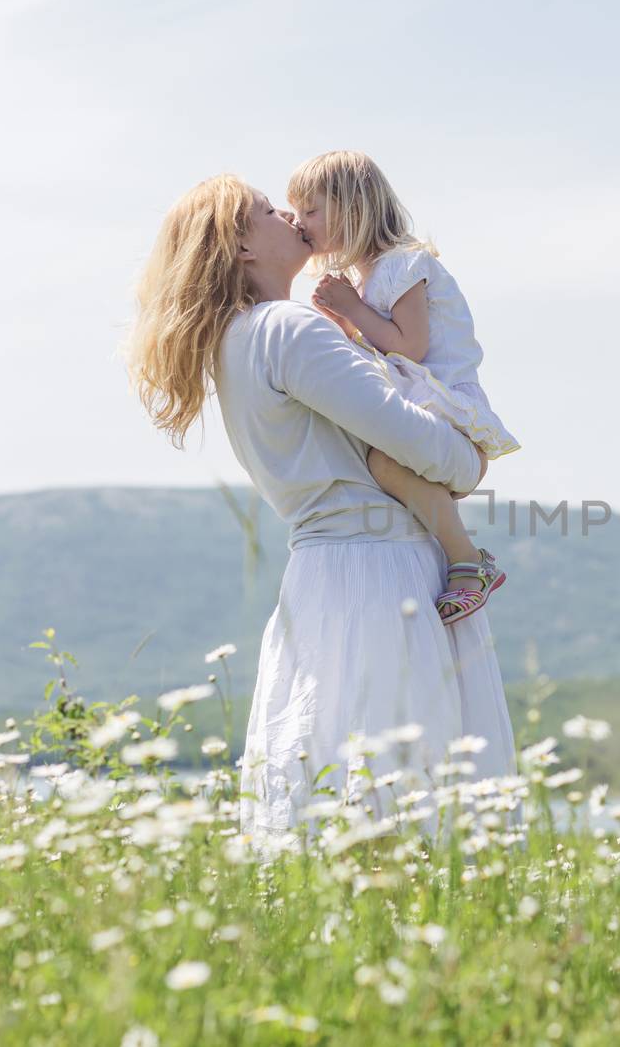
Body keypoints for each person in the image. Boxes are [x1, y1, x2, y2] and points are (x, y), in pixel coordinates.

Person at [124, 173, 518, 841]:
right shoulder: (288, 329)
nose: (286, 213)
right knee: (407, 802)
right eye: (263, 209)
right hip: (381, 574)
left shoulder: (239, 339)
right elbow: (413, 439)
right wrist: (471, 460)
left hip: (327, 576)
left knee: (336, 784)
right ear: (243, 247)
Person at [289, 150, 519, 625]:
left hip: (446, 403)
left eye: (311, 210)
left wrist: (353, 310)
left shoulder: (402, 264)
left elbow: (410, 347)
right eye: (294, 212)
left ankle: (468, 559)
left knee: (386, 464)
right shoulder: (367, 275)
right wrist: (350, 324)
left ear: (354, 208)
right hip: (418, 397)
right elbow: (385, 349)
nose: (299, 222)